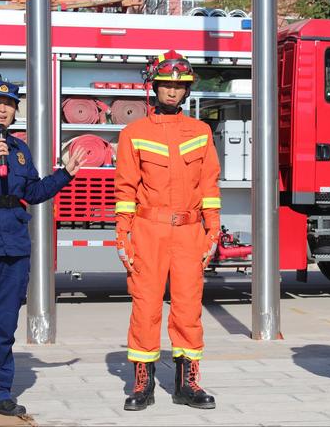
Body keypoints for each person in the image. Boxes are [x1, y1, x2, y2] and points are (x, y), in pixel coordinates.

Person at [0, 80, 85, 420]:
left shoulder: (20, 151)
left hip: (13, 249)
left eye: (8, 104)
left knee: (3, 327)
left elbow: (34, 193)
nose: (3, 109)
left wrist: (65, 174)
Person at [115, 50, 221, 411]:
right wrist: (122, 233)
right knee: (145, 307)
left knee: (188, 308)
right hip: (148, 230)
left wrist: (213, 232)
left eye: (179, 86)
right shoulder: (134, 133)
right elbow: (126, 189)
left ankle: (186, 384)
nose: (173, 92)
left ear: (187, 89)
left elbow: (209, 187)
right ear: (155, 86)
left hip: (189, 232)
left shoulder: (201, 132)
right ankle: (142, 384)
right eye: (166, 85)